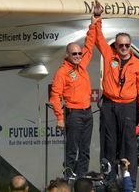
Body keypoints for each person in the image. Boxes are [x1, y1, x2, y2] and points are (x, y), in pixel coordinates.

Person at [93, 0, 139, 189]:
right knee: (109, 141)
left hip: (128, 106)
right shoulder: (109, 56)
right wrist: (97, 17)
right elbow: (98, 38)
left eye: (126, 45)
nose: (124, 48)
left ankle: (130, 182)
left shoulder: (138, 65)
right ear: (115, 46)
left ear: (130, 46)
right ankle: (110, 180)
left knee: (129, 143)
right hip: (109, 104)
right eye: (120, 45)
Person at [50, 13, 97, 177]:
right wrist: (60, 118)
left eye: (79, 53)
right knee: (72, 150)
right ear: (68, 55)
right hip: (73, 113)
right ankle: (69, 178)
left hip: (87, 112)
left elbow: (89, 45)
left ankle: (82, 179)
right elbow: (55, 96)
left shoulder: (82, 64)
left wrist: (94, 24)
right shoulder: (62, 72)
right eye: (74, 54)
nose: (78, 56)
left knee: (85, 149)